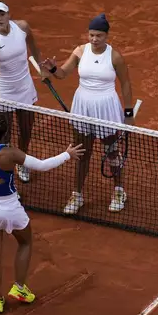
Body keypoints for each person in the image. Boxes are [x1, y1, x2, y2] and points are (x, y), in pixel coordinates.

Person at [0, 113, 84, 313]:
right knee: (25, 242)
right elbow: (42, 166)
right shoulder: (12, 154)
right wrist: (67, 154)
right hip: (10, 208)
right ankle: (19, 288)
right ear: (5, 133)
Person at [39, 13, 136, 215]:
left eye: (99, 35)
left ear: (106, 36)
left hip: (106, 108)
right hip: (82, 106)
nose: (94, 39)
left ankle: (119, 190)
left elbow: (125, 83)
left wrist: (128, 112)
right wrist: (53, 69)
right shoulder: (80, 51)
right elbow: (63, 73)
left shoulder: (115, 56)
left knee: (111, 151)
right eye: (91, 34)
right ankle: (77, 194)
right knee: (82, 152)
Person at [0, 1, 44, 184]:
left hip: (25, 89)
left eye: (2, 14)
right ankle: (4, 165)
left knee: (26, 130)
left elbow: (34, 47)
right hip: (3, 93)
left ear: (8, 15)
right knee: (3, 135)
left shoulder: (22, 27)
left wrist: (42, 68)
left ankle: (21, 162)